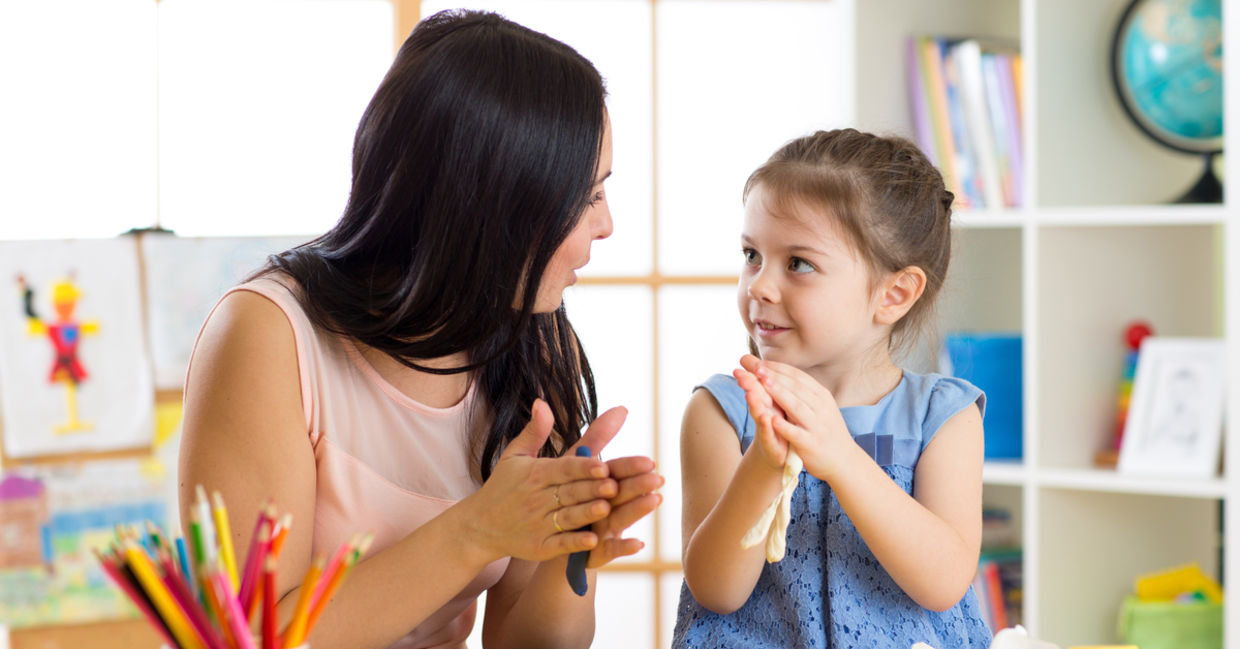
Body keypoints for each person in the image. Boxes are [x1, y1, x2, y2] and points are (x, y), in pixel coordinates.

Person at [178, 10, 663, 649]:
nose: (607, 225)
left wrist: (568, 552)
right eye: (589, 195)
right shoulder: (268, 335)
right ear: (499, 200)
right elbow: (243, 639)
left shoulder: (532, 344)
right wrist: (476, 531)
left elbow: (522, 639)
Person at [673, 128, 992, 648]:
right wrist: (764, 465)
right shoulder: (721, 412)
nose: (759, 285)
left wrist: (841, 458)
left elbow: (943, 582)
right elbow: (716, 591)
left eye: (798, 264)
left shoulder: (943, 418)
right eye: (751, 255)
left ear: (893, 294)